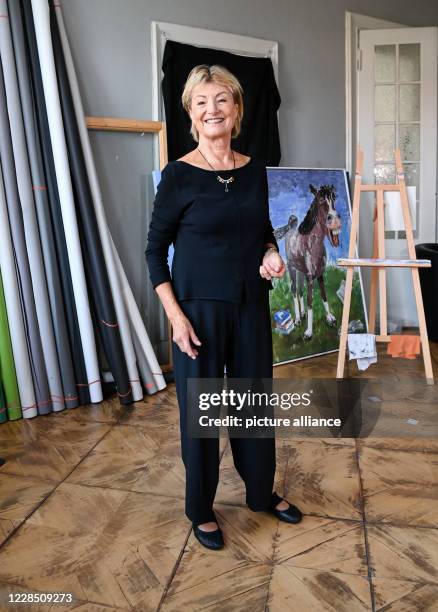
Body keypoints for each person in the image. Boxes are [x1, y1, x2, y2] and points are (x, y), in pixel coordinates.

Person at [146, 64, 302, 551]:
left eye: (221, 101)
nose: (212, 110)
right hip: (198, 314)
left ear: (236, 108)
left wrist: (272, 255)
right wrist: (175, 316)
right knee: (202, 415)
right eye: (201, 103)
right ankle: (200, 509)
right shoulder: (178, 176)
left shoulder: (254, 169)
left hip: (250, 307)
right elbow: (155, 251)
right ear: (192, 114)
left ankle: (260, 493)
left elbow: (263, 233)